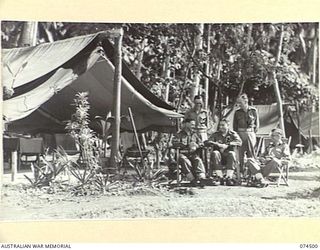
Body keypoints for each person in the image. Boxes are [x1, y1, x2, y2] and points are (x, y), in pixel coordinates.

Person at [170, 118, 206, 188]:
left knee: (197, 160)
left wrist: (196, 146)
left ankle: (201, 178)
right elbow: (174, 144)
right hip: (182, 154)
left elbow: (201, 143)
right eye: (191, 124)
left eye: (193, 124)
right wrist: (186, 145)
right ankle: (192, 179)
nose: (193, 126)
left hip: (192, 154)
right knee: (183, 159)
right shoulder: (179, 134)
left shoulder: (195, 134)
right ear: (186, 124)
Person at [205, 118, 242, 186]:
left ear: (228, 125)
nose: (220, 127)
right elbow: (208, 141)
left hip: (229, 157)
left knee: (232, 153)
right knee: (215, 153)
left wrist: (228, 145)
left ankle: (229, 177)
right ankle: (220, 177)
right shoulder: (216, 134)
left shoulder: (232, 134)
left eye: (223, 125)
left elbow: (239, 142)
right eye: (220, 125)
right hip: (218, 158)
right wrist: (218, 144)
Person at [233, 93, 259, 174]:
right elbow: (235, 126)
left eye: (240, 102)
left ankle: (252, 173)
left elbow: (257, 125)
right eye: (238, 103)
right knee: (240, 155)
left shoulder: (253, 111)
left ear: (246, 101)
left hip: (250, 133)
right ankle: (240, 172)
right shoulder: (237, 112)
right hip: (240, 134)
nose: (239, 104)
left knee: (251, 154)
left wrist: (251, 133)